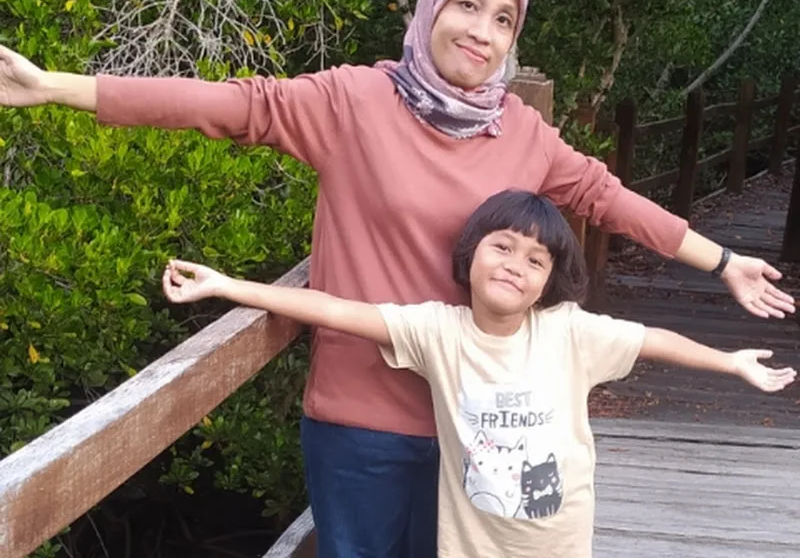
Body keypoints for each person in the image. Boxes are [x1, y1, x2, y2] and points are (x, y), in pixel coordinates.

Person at [0, 0, 794, 558]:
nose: (482, 31)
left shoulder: (519, 130)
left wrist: (724, 262)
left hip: (486, 426)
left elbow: (606, 198)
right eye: (468, 5)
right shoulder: (352, 102)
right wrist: (57, 87)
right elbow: (226, 106)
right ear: (431, 6)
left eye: (503, 19)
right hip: (365, 418)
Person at [160, 189, 796, 558]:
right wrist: (228, 285)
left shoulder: (568, 331)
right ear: (470, 256)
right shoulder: (438, 332)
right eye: (503, 246)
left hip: (558, 545)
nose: (516, 265)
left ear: (548, 283)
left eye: (536, 260)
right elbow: (334, 309)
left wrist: (730, 362)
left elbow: (652, 339)